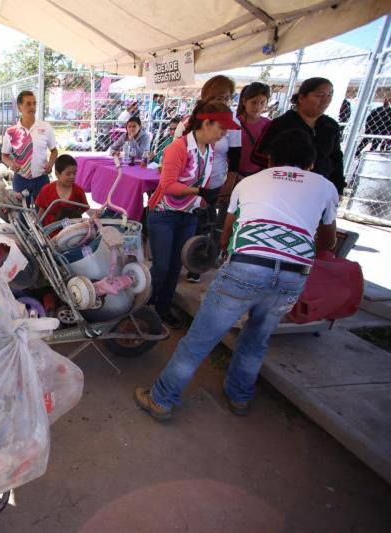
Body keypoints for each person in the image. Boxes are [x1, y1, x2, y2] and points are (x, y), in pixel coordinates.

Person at [134, 129, 338, 420]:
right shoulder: (325, 186)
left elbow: (226, 234)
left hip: (247, 265)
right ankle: (239, 397)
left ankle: (162, 400)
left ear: (270, 159)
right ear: (310, 163)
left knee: (200, 340)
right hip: (294, 274)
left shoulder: (249, 183)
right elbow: (327, 243)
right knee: (257, 339)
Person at [146, 100, 240, 328]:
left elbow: (201, 182)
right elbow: (168, 185)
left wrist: (204, 199)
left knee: (176, 265)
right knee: (161, 267)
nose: (224, 134)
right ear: (206, 123)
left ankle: (162, 309)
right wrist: (200, 191)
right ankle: (141, 306)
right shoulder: (177, 147)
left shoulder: (209, 150)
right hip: (163, 214)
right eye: (221, 127)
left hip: (187, 215)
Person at [175, 75, 241, 283]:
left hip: (214, 184)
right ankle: (177, 262)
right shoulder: (187, 123)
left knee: (205, 225)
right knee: (184, 223)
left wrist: (228, 186)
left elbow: (235, 158)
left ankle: (196, 264)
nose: (223, 101)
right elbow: (175, 158)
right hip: (188, 186)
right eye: (219, 96)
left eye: (227, 97)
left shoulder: (232, 124)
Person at [252, 77, 345, 196]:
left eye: (329, 95)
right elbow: (257, 155)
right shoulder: (281, 124)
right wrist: (290, 171)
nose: (325, 100)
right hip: (283, 191)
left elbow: (336, 159)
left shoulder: (331, 126)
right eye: (319, 95)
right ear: (301, 97)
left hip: (319, 191)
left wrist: (338, 188)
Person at [2, 91, 58, 203]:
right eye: (28, 104)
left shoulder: (45, 127)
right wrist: (11, 164)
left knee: (43, 213)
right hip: (20, 180)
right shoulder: (11, 132)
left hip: (42, 179)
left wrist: (50, 164)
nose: (32, 107)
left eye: (34, 103)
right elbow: (4, 155)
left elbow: (54, 151)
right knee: (23, 215)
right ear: (19, 107)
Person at [35, 154, 89, 227]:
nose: (72, 177)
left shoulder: (78, 191)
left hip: (71, 229)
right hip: (50, 229)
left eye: (74, 173)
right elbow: (41, 211)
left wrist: (73, 215)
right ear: (57, 174)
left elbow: (85, 207)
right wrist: (37, 226)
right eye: (68, 174)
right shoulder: (46, 190)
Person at [236, 82, 271, 177]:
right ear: (244, 101)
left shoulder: (269, 124)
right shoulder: (234, 123)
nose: (258, 107)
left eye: (262, 102)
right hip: (234, 174)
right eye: (254, 102)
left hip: (259, 175)